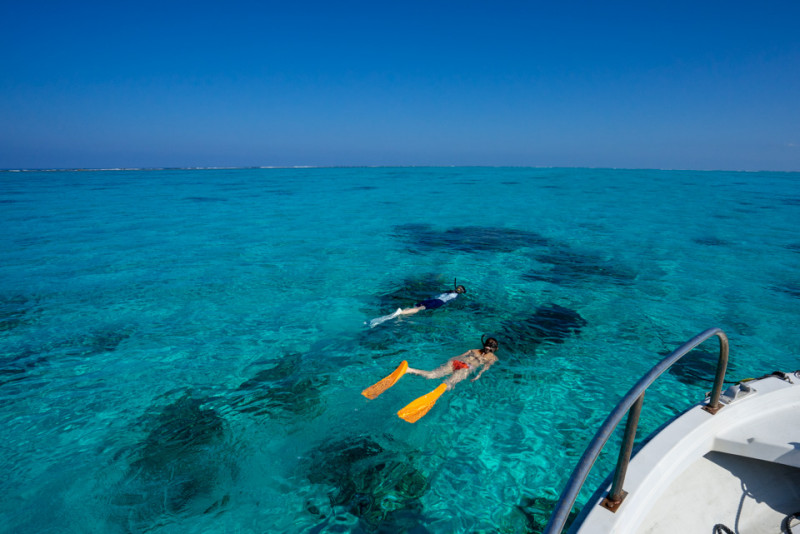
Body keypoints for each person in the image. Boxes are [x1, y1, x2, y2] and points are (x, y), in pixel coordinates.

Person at [407, 336, 499, 390]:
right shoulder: (493, 358)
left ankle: (409, 369)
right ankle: (434, 394)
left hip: (456, 362)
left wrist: (448, 362)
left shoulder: (473, 350)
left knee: (432, 374)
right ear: (495, 349)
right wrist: (478, 375)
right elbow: (486, 367)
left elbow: (458, 356)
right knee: (449, 383)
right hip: (466, 368)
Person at [368, 281, 466, 328]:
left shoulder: (451, 293)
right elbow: (448, 300)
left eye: (458, 289)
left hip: (435, 300)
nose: (458, 289)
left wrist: (451, 291)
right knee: (419, 308)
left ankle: (401, 313)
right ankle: (401, 314)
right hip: (437, 301)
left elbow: (443, 296)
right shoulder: (453, 294)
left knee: (417, 307)